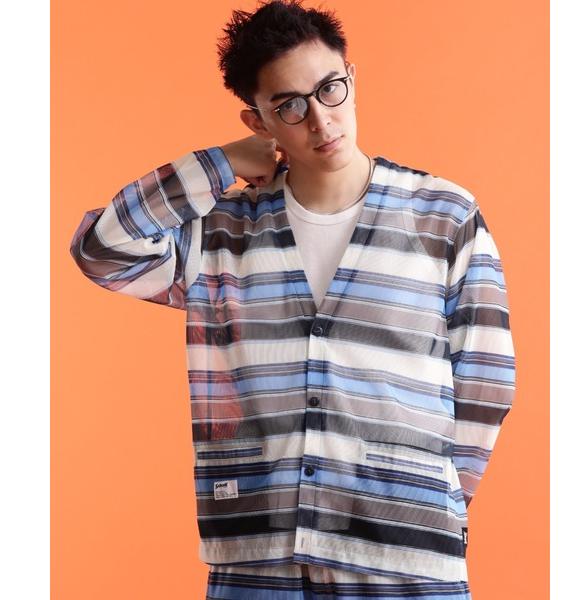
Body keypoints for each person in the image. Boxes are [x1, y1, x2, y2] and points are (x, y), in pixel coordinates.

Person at [69, 1, 516, 598]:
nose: (321, 121)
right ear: (258, 120)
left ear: (351, 78)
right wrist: (219, 164)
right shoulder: (221, 232)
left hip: (405, 557)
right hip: (260, 557)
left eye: (330, 89)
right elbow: (102, 249)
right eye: (290, 105)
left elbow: (487, 377)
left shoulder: (444, 215)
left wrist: (431, 501)